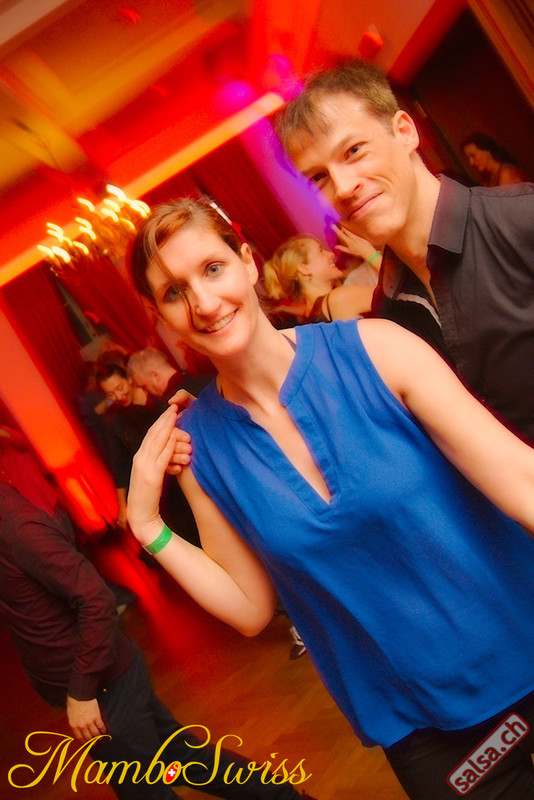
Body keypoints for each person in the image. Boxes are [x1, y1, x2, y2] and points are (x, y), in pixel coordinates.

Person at [125, 197, 534, 800]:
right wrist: (146, 524)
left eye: (213, 269)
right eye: (174, 292)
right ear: (158, 315)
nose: (205, 303)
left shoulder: (378, 349)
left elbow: (521, 479)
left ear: (247, 262)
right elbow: (250, 608)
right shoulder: (201, 448)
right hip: (427, 728)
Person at [0, 479, 316, 800]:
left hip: (102, 689)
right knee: (185, 760)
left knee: (146, 791)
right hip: (103, 682)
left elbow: (96, 601)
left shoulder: (20, 529)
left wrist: (81, 693)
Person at [275, 60, 534, 443]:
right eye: (319, 177)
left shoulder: (521, 219)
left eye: (354, 151)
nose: (342, 187)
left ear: (404, 132)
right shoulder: (390, 311)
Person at [98, 360, 200, 547]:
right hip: (167, 490)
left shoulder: (156, 396)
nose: (118, 396)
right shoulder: (117, 422)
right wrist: (123, 507)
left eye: (120, 387)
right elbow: (120, 466)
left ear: (129, 379)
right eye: (110, 394)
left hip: (189, 468)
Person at [263, 234, 374, 326]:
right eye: (321, 251)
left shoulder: (309, 313)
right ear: (304, 269)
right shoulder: (340, 298)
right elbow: (385, 292)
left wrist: (282, 308)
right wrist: (370, 254)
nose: (331, 254)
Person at [128, 347, 211, 407]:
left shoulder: (170, 407)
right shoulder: (206, 380)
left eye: (144, 387)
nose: (146, 393)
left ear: (155, 375)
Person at [461, 132, 531, 187]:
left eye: (473, 156)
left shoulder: (506, 173)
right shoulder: (490, 177)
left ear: (487, 150)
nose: (471, 162)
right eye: (468, 158)